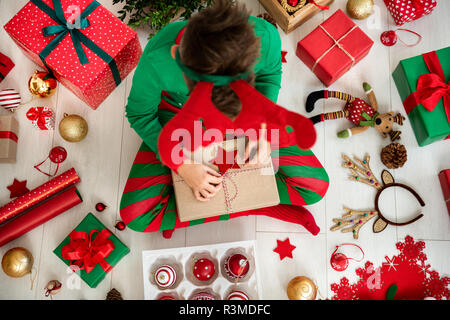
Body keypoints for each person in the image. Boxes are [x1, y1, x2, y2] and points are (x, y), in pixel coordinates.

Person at [120, 0, 329, 238]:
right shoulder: (157, 61)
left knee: (315, 187)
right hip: (177, 117)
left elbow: (269, 75)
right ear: (177, 55)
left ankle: (216, 206)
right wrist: (183, 165)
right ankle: (256, 202)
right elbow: (140, 115)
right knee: (135, 217)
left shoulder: (264, 36)